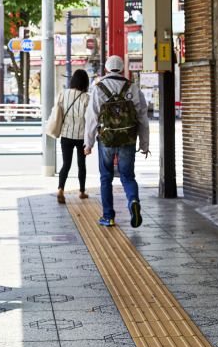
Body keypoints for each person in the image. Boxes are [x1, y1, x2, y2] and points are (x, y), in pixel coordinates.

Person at [84, 55, 150, 228]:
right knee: (127, 176)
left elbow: (91, 117)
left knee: (106, 178)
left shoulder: (98, 88)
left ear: (105, 70)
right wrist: (144, 145)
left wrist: (88, 144)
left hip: (106, 140)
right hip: (127, 139)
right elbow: (142, 118)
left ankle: (108, 216)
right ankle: (133, 201)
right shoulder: (133, 88)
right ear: (123, 69)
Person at [57, 69, 91, 204]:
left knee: (66, 164)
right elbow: (89, 120)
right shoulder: (87, 97)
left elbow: (58, 111)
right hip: (81, 136)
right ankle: (82, 192)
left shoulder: (63, 94)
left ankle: (60, 189)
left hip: (66, 134)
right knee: (81, 164)